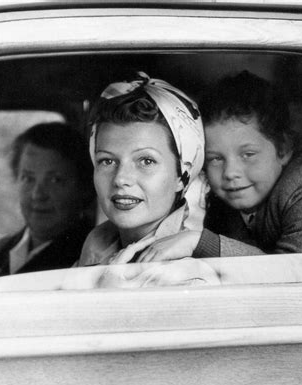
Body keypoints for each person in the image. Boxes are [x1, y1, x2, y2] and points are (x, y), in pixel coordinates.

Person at [137, 70, 302, 259]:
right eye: (216, 158)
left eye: (248, 154)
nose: (230, 173)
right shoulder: (223, 206)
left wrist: (200, 242)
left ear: (283, 149)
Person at [77, 71, 207, 266]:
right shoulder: (97, 242)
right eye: (107, 161)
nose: (121, 178)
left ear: (182, 175)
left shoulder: (190, 271)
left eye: (146, 161)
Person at [0, 122, 95, 276]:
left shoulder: (89, 258)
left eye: (55, 180)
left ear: (82, 187)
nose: (38, 194)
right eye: (28, 178)